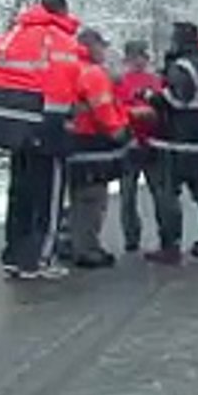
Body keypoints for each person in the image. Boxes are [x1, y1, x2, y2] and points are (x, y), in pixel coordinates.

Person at [0, 0, 81, 280]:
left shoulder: (14, 34)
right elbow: (64, 84)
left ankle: (14, 255)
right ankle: (40, 259)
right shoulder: (59, 40)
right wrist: (67, 120)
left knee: (20, 191)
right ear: (62, 11)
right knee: (48, 194)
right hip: (45, 123)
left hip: (12, 124)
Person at [144, 21, 198, 265]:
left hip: (176, 143)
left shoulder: (181, 67)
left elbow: (177, 100)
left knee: (167, 194)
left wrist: (151, 96)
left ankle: (171, 246)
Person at [65, 28, 133, 268]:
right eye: (101, 46)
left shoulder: (66, 68)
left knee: (76, 197)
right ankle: (87, 249)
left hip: (69, 142)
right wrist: (119, 131)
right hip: (91, 145)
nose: (104, 51)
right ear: (91, 46)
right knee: (92, 199)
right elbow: (102, 108)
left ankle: (69, 242)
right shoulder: (92, 73)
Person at [114, 39, 162, 252]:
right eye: (134, 57)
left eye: (142, 57)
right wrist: (133, 114)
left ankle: (166, 236)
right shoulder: (120, 82)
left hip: (152, 143)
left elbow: (163, 107)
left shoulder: (155, 81)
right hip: (129, 143)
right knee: (127, 196)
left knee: (160, 193)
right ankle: (131, 237)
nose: (138, 61)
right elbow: (114, 109)